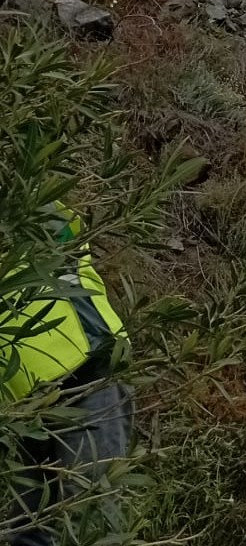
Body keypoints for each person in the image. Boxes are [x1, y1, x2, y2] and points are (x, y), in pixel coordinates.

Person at [2, 202, 133, 545]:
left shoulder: (29, 199)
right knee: (30, 527)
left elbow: (59, 228)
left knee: (90, 514)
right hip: (22, 402)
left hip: (85, 369)